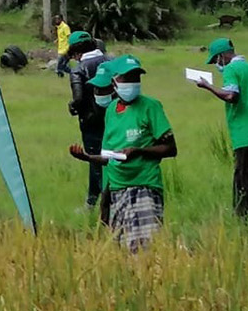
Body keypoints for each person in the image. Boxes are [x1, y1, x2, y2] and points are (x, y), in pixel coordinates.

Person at [70, 55, 176, 252]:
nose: (133, 83)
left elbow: (170, 148)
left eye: (136, 78)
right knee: (122, 251)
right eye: (127, 78)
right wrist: (86, 157)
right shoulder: (111, 111)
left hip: (144, 185)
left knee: (145, 250)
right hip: (118, 190)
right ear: (115, 82)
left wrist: (138, 151)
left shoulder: (151, 106)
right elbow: (108, 156)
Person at [194, 37, 248, 219]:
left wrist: (208, 87)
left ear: (222, 56)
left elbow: (231, 95)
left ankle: (243, 225)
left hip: (244, 137)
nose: (216, 65)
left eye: (215, 60)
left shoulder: (231, 69)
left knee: (244, 184)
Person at [66, 30, 110, 209]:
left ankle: (99, 204)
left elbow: (78, 99)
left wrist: (72, 106)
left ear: (76, 53)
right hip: (115, 117)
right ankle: (100, 200)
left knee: (94, 160)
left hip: (92, 122)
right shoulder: (111, 61)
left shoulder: (78, 69)